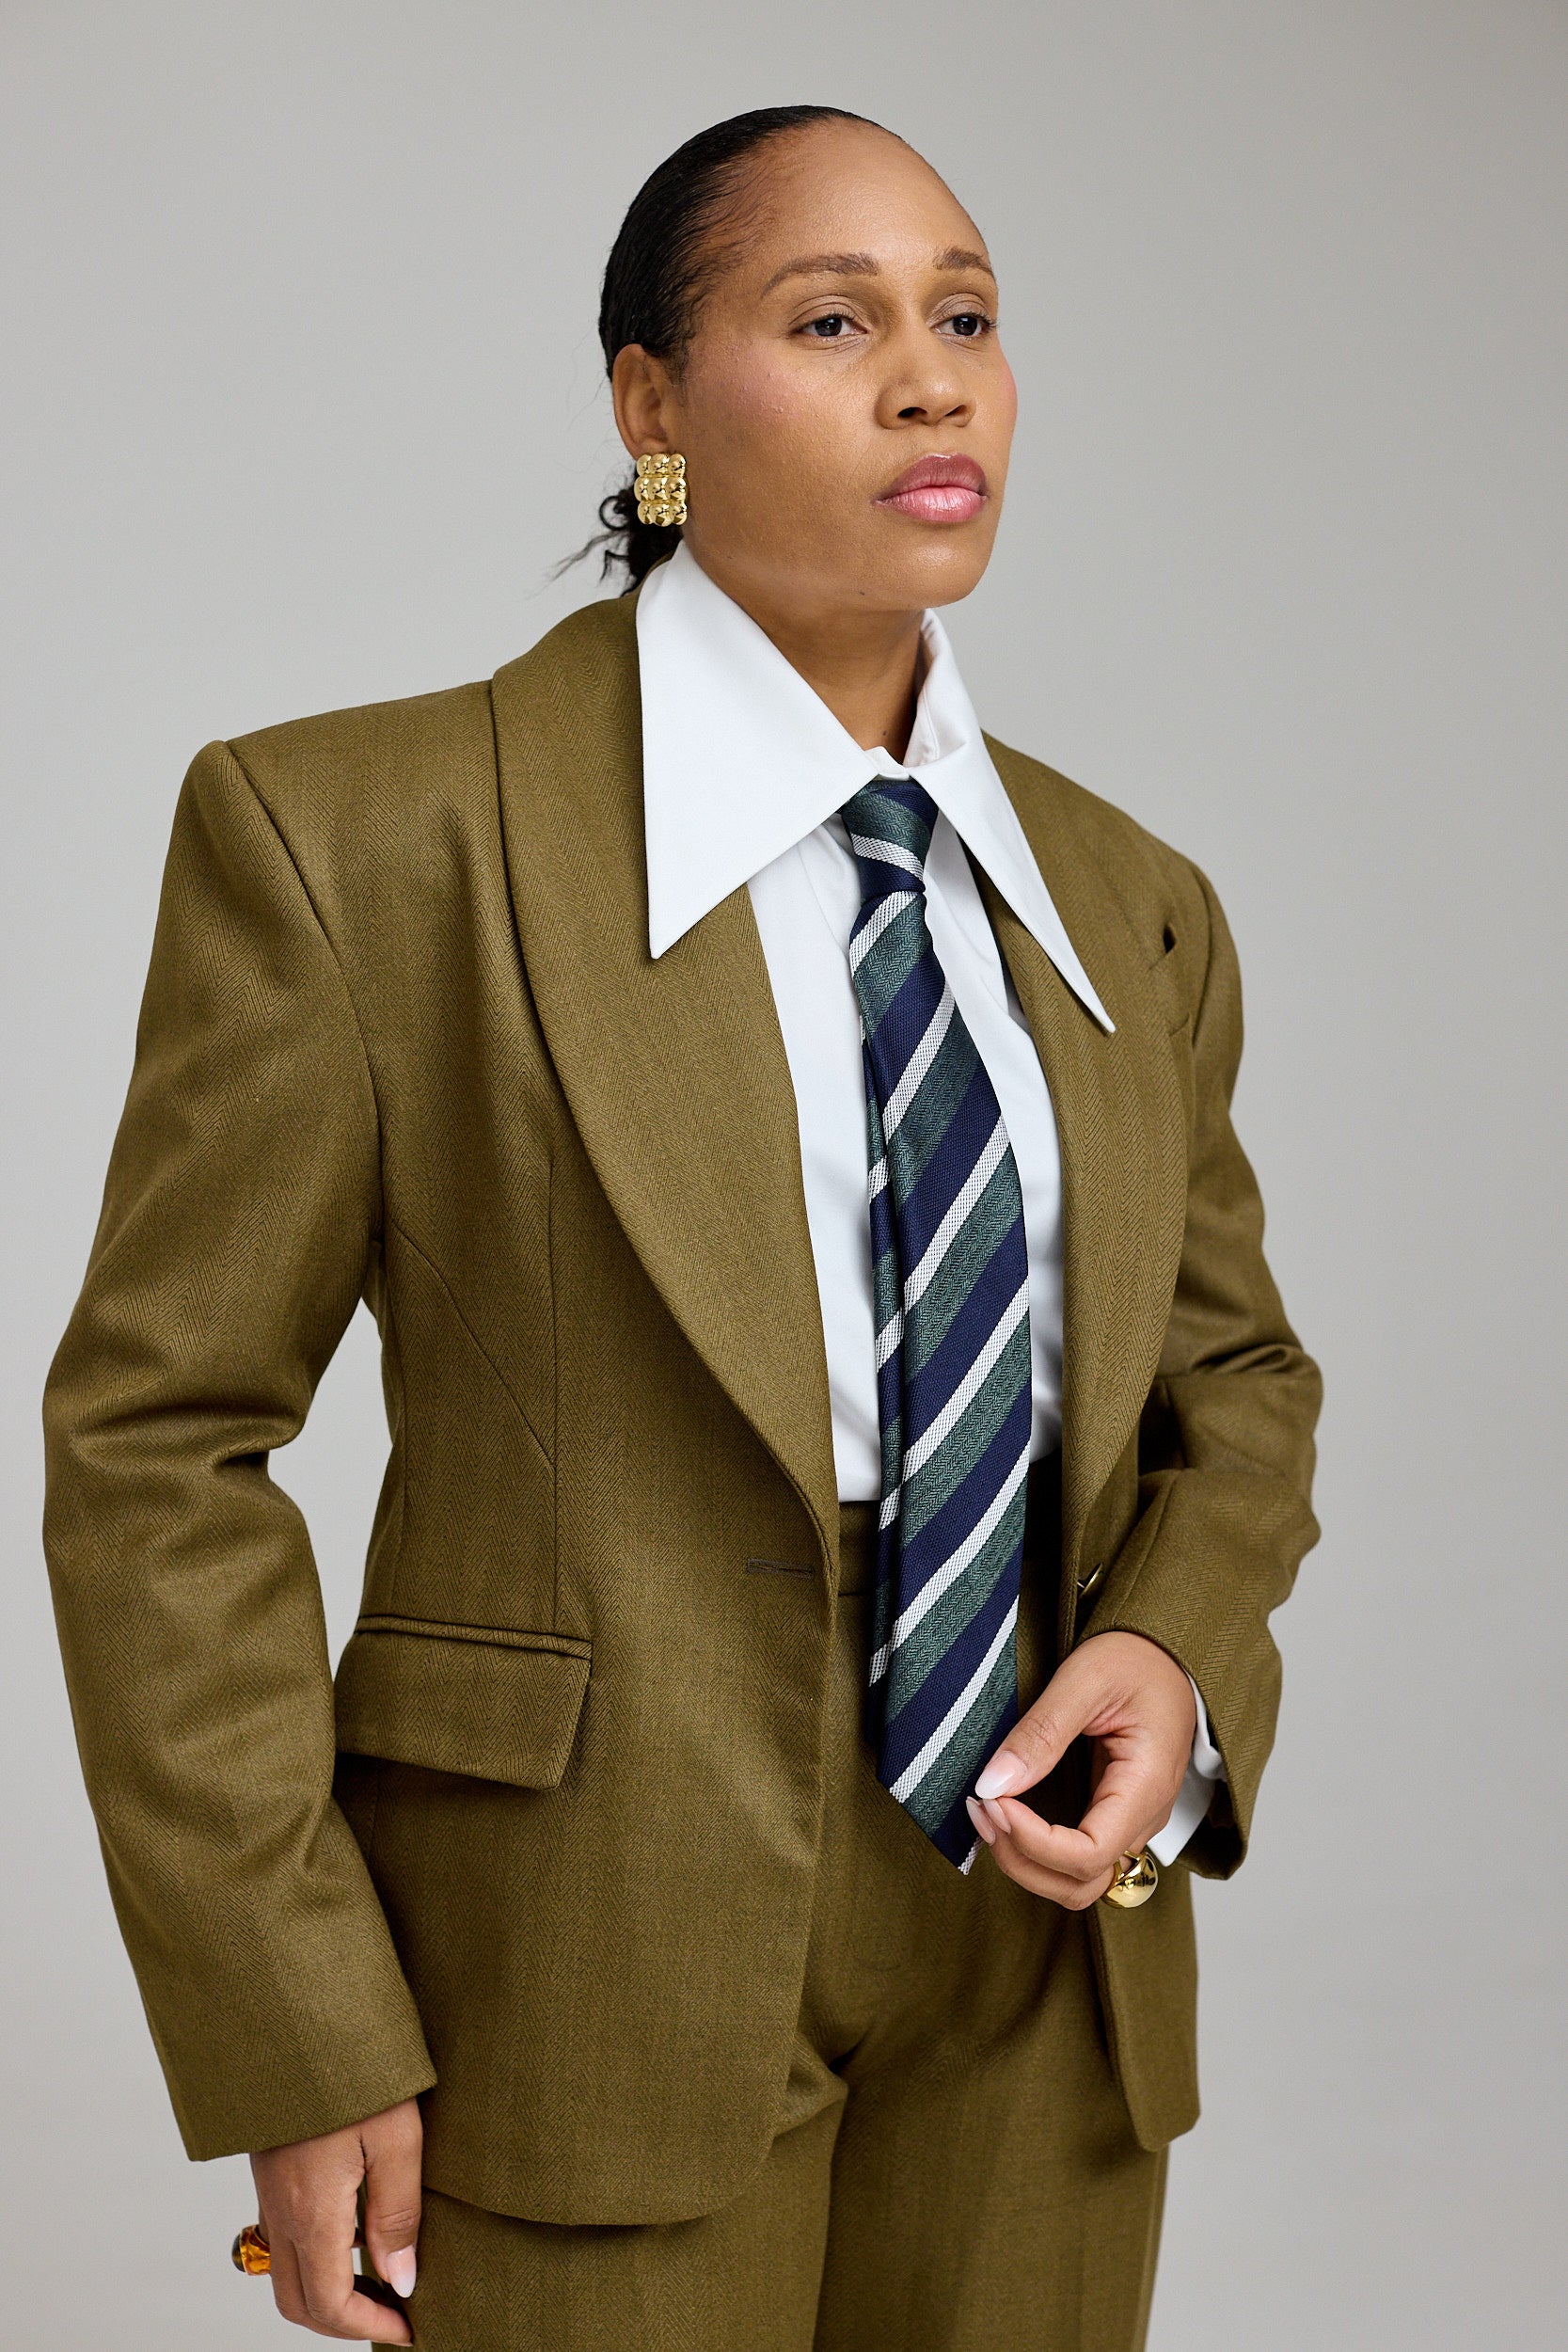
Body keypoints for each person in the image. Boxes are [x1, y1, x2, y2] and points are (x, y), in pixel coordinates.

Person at [42, 104, 1321, 2351]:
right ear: (650, 402)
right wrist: (295, 2014)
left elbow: (1233, 1380)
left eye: (967, 317)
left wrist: (1178, 1651)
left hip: (1045, 1942)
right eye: (831, 322)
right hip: (577, 1952)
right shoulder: (362, 839)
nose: (928, 381)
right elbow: (156, 1445)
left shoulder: (1134, 901)